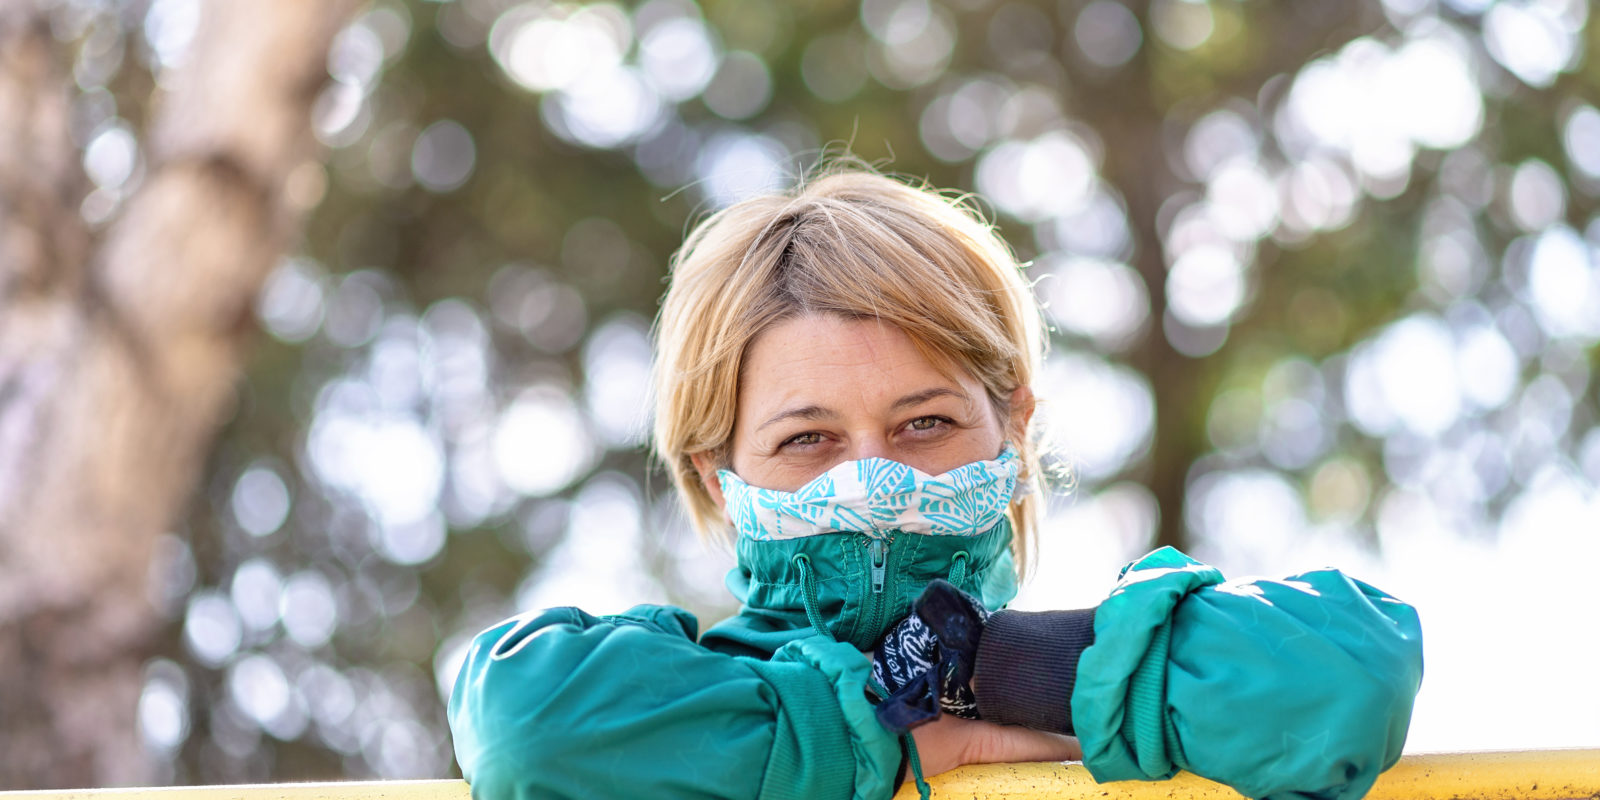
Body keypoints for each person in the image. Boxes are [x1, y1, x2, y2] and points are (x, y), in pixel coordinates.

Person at [446, 168, 1424, 800]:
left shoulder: (1100, 684)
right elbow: (529, 727)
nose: (872, 474)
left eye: (925, 422)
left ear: (1013, 429)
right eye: (808, 437)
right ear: (720, 471)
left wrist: (992, 668)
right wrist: (887, 727)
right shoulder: (672, 712)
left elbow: (1348, 671)